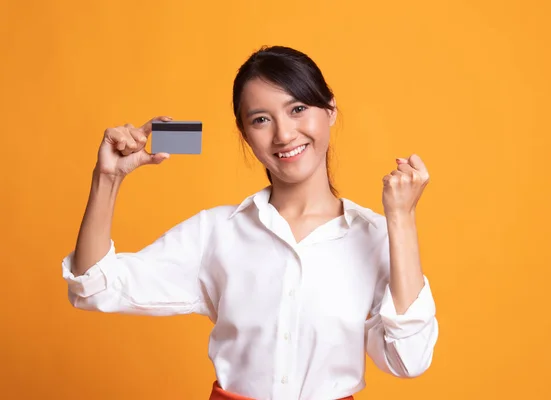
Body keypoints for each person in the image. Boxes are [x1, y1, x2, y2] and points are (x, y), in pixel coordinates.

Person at [62, 45, 439, 400]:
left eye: (297, 109)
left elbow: (408, 359)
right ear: (245, 134)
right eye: (261, 119)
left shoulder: (375, 236)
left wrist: (401, 219)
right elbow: (93, 286)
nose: (284, 134)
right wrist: (107, 178)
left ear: (331, 110)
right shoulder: (216, 232)